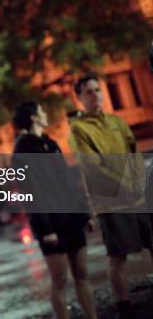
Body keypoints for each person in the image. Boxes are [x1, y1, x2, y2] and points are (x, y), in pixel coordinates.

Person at [69, 75, 153, 318]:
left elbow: (133, 151)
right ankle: (124, 306)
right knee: (118, 257)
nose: (95, 95)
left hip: (139, 197)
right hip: (111, 201)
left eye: (98, 90)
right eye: (89, 92)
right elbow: (92, 166)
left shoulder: (117, 121)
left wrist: (139, 181)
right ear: (80, 98)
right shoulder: (79, 129)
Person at [13, 102, 97, 319]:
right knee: (60, 280)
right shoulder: (21, 152)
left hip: (71, 219)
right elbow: (31, 195)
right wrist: (46, 228)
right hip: (50, 225)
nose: (45, 114)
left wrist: (83, 214)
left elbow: (67, 181)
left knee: (81, 274)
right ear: (33, 117)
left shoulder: (51, 144)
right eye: (41, 111)